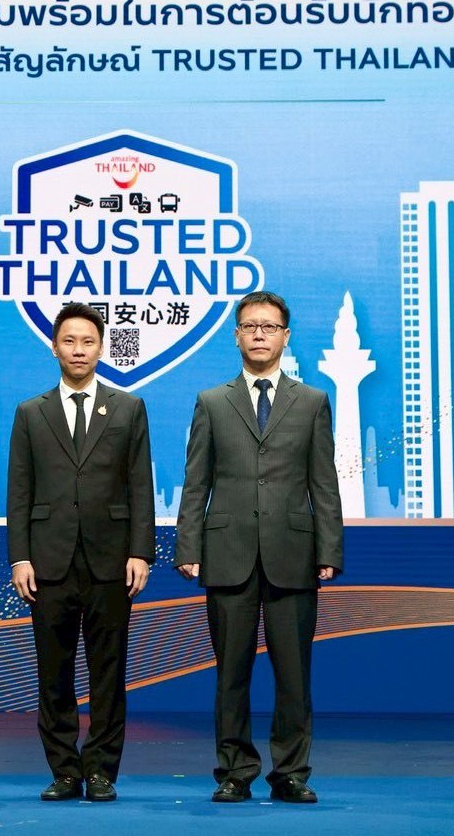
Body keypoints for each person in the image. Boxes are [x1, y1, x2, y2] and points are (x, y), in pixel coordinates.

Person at [175, 291, 342, 804]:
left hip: (293, 554)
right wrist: (188, 545)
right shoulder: (212, 401)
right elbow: (196, 481)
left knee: (294, 675)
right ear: (237, 336)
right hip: (228, 554)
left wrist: (329, 550)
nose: (259, 335)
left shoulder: (311, 401)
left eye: (269, 327)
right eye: (250, 327)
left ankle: (291, 773)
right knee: (231, 674)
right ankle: (234, 771)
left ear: (285, 336)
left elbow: (324, 482)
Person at [7, 303, 155, 802]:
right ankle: (65, 771)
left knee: (108, 672)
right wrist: (20, 557)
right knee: (54, 673)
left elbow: (140, 485)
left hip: (112, 561)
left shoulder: (128, 408)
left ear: (101, 347)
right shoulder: (31, 412)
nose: (78, 350)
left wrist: (141, 552)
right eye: (69, 341)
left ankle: (101, 770)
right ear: (54, 347)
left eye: (88, 341)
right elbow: (19, 490)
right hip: (48, 561)